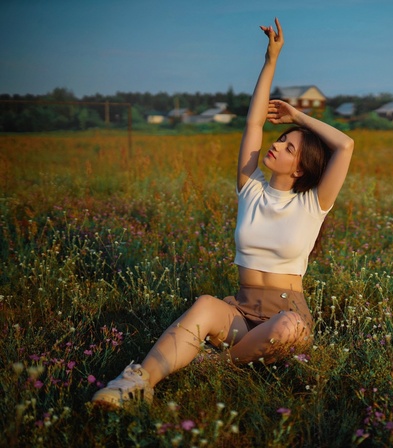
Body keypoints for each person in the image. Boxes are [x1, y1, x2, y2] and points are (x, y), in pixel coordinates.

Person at [91, 18, 354, 408]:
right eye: (280, 140)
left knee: (287, 328)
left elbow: (345, 145)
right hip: (241, 311)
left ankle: (209, 368)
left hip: (286, 315)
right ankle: (135, 383)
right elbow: (253, 121)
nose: (277, 146)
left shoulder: (313, 203)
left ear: (300, 169)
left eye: (289, 148)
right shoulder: (250, 188)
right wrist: (271, 60)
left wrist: (298, 117)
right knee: (204, 306)